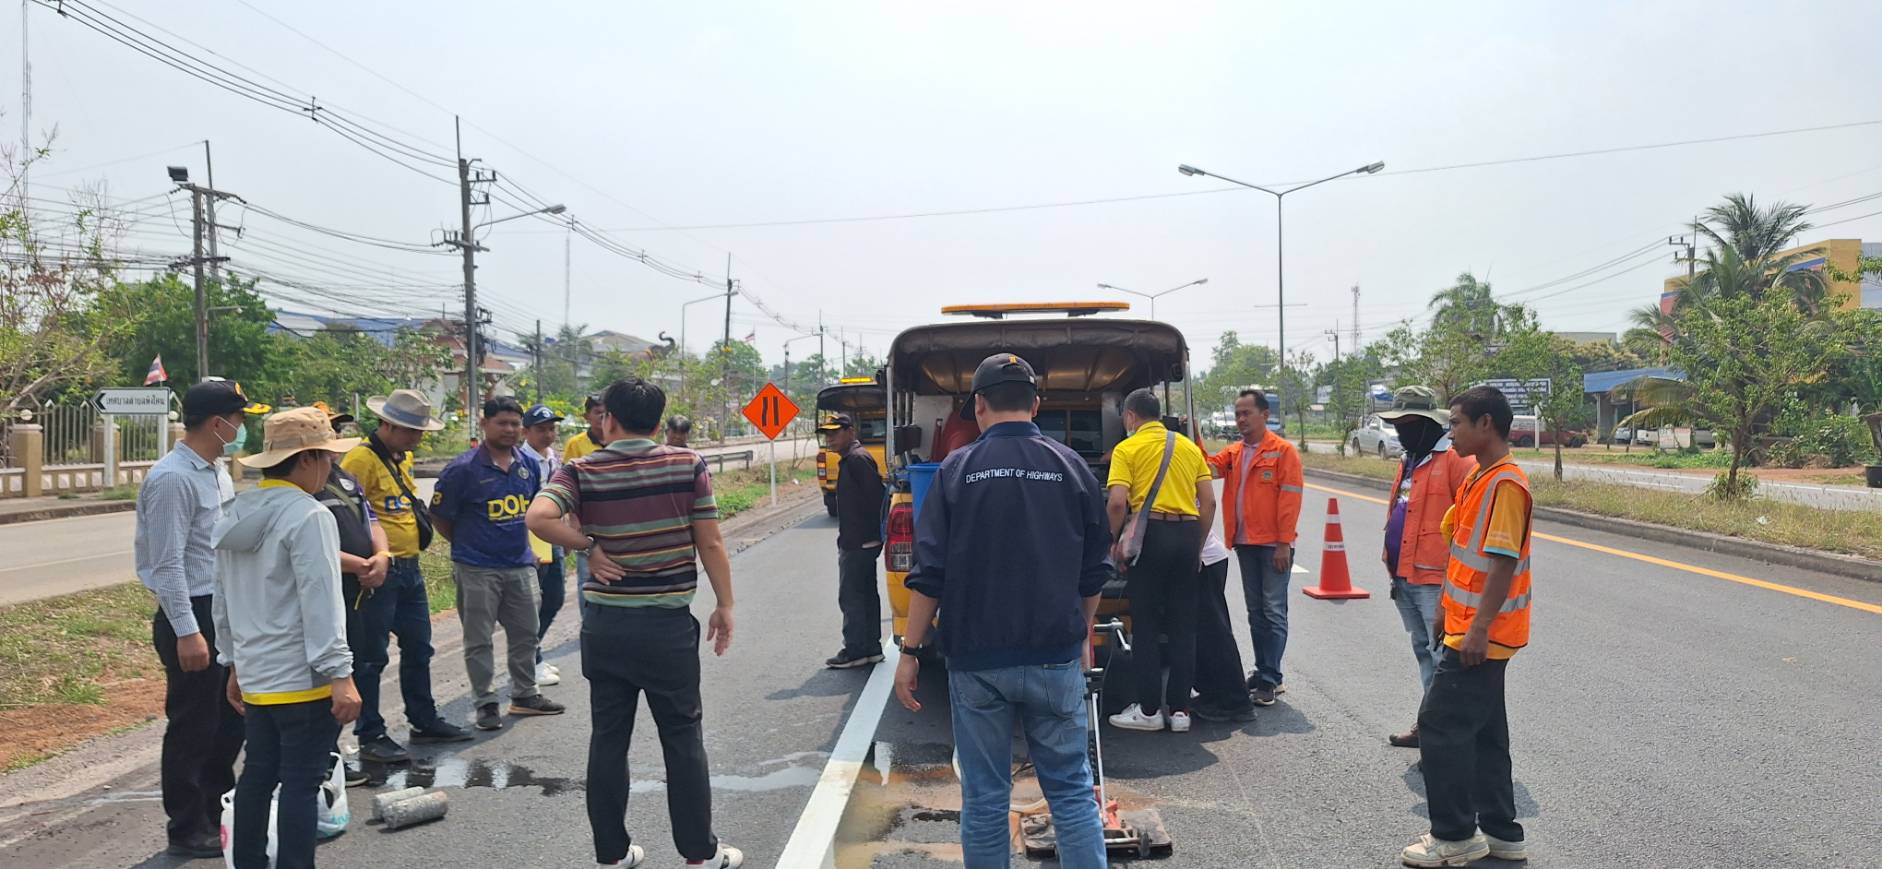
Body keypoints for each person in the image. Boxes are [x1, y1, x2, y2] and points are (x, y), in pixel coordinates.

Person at [894, 353, 1111, 869]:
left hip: (977, 660)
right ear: (1036, 404)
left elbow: (929, 573)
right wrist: (1081, 635)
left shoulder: (956, 470)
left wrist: (910, 651)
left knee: (986, 797)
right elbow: (1093, 571)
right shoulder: (1071, 466)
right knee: (1071, 792)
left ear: (979, 407)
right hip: (1054, 653)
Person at [526, 377, 744, 869]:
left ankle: (612, 854)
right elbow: (710, 541)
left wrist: (587, 546)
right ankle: (699, 854)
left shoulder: (580, 470)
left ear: (608, 420)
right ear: (659, 422)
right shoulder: (686, 464)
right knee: (682, 739)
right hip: (667, 628)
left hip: (606, 627)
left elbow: (538, 518)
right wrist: (725, 603)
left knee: (608, 739)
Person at [211, 406, 363, 869]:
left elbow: (223, 599)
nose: (330, 468)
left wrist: (232, 662)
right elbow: (321, 600)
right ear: (306, 459)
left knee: (257, 775)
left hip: (258, 676)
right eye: (326, 458)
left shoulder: (237, 512)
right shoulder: (309, 515)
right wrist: (341, 674)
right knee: (300, 781)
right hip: (303, 675)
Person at [1400, 386, 1532, 868]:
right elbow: (1464, 551)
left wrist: (1478, 629)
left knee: (1439, 726)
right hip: (1466, 626)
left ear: (1485, 425)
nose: (1449, 431)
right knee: (1485, 734)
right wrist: (1444, 608)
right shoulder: (1481, 476)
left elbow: (1501, 563)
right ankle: (1500, 831)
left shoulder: (1506, 485)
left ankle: (1454, 836)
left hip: (1481, 636)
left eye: (1456, 422)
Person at [134, 379, 263, 858]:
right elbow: (167, 564)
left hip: (220, 608)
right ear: (217, 423)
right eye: (240, 419)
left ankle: (216, 812)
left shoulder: (216, 471)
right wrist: (188, 631)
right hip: (191, 612)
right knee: (193, 725)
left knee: (229, 720)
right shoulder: (172, 478)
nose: (243, 428)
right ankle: (186, 827)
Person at [340, 390, 472, 764]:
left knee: (419, 646)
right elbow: (351, 514)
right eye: (410, 431)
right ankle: (371, 734)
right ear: (387, 424)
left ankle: (423, 718)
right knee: (371, 656)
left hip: (410, 568)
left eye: (419, 432)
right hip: (380, 571)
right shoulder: (360, 460)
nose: (417, 438)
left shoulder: (403, 457)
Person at [432, 396, 566, 731]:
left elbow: (532, 510)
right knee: (479, 640)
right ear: (484, 424)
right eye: (502, 423)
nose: (509, 429)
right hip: (476, 567)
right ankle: (486, 703)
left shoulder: (528, 465)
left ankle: (525, 694)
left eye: (514, 424)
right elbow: (441, 516)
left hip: (520, 565)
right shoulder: (462, 469)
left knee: (526, 633)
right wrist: (466, 544)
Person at [1104, 388, 1215, 733]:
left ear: (1130, 416)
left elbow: (1117, 503)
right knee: (1183, 625)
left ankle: (1149, 710)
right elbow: (1209, 502)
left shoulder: (1128, 448)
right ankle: (1180, 711)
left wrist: (1112, 542)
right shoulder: (1187, 446)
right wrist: (1197, 547)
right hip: (1187, 534)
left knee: (1147, 624)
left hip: (1151, 537)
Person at [1375, 387, 1476, 749]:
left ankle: (1446, 739)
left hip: (1437, 581)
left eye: (1407, 424)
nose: (1400, 431)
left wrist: (1455, 583)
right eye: (1396, 424)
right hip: (1404, 574)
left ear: (1428, 423)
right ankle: (1430, 726)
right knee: (1424, 653)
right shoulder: (1409, 459)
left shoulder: (1456, 461)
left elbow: (1468, 527)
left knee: (1443, 659)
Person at [1203, 388, 1303, 707]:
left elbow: (1290, 501)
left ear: (1265, 415)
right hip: (1246, 544)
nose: (1241, 419)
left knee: (1273, 611)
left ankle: (1271, 679)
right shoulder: (1234, 453)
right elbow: (1205, 468)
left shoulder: (1283, 452)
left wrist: (1283, 543)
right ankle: (1263, 671)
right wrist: (1192, 435)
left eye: (1247, 413)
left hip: (1273, 546)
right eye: (1237, 414)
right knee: (1256, 613)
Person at [314, 407, 388, 786]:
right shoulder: (303, 486)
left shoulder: (343, 477)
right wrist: (359, 563)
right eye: (329, 429)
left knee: (358, 666)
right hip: (329, 590)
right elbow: (311, 546)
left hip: (358, 591)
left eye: (337, 429)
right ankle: (324, 761)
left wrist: (382, 555)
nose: (336, 436)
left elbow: (371, 520)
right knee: (327, 678)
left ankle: (332, 755)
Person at [1186, 423, 1257, 723]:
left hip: (1205, 558)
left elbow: (1210, 502)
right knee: (1204, 631)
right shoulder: (1184, 457)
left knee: (1215, 632)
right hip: (1206, 556)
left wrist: (1196, 550)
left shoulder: (1181, 461)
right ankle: (1213, 694)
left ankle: (1236, 702)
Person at [820, 413, 886, 669]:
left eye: (835, 432)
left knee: (851, 596)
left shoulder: (857, 459)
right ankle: (871, 648)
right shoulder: (851, 459)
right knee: (865, 594)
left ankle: (856, 650)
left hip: (859, 542)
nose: (830, 438)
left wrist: (870, 537)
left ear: (850, 431)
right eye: (827, 434)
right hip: (859, 540)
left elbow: (876, 499)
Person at [520, 403, 568, 688]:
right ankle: (530, 660)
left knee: (554, 597)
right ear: (526, 432)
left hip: (552, 536)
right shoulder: (520, 460)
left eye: (551, 429)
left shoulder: (553, 458)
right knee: (531, 603)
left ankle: (532, 653)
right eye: (541, 429)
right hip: (530, 539)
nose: (548, 434)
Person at [564, 394, 606, 462]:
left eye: (606, 412)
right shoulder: (575, 443)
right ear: (586, 417)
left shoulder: (618, 442)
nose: (602, 416)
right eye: (597, 412)